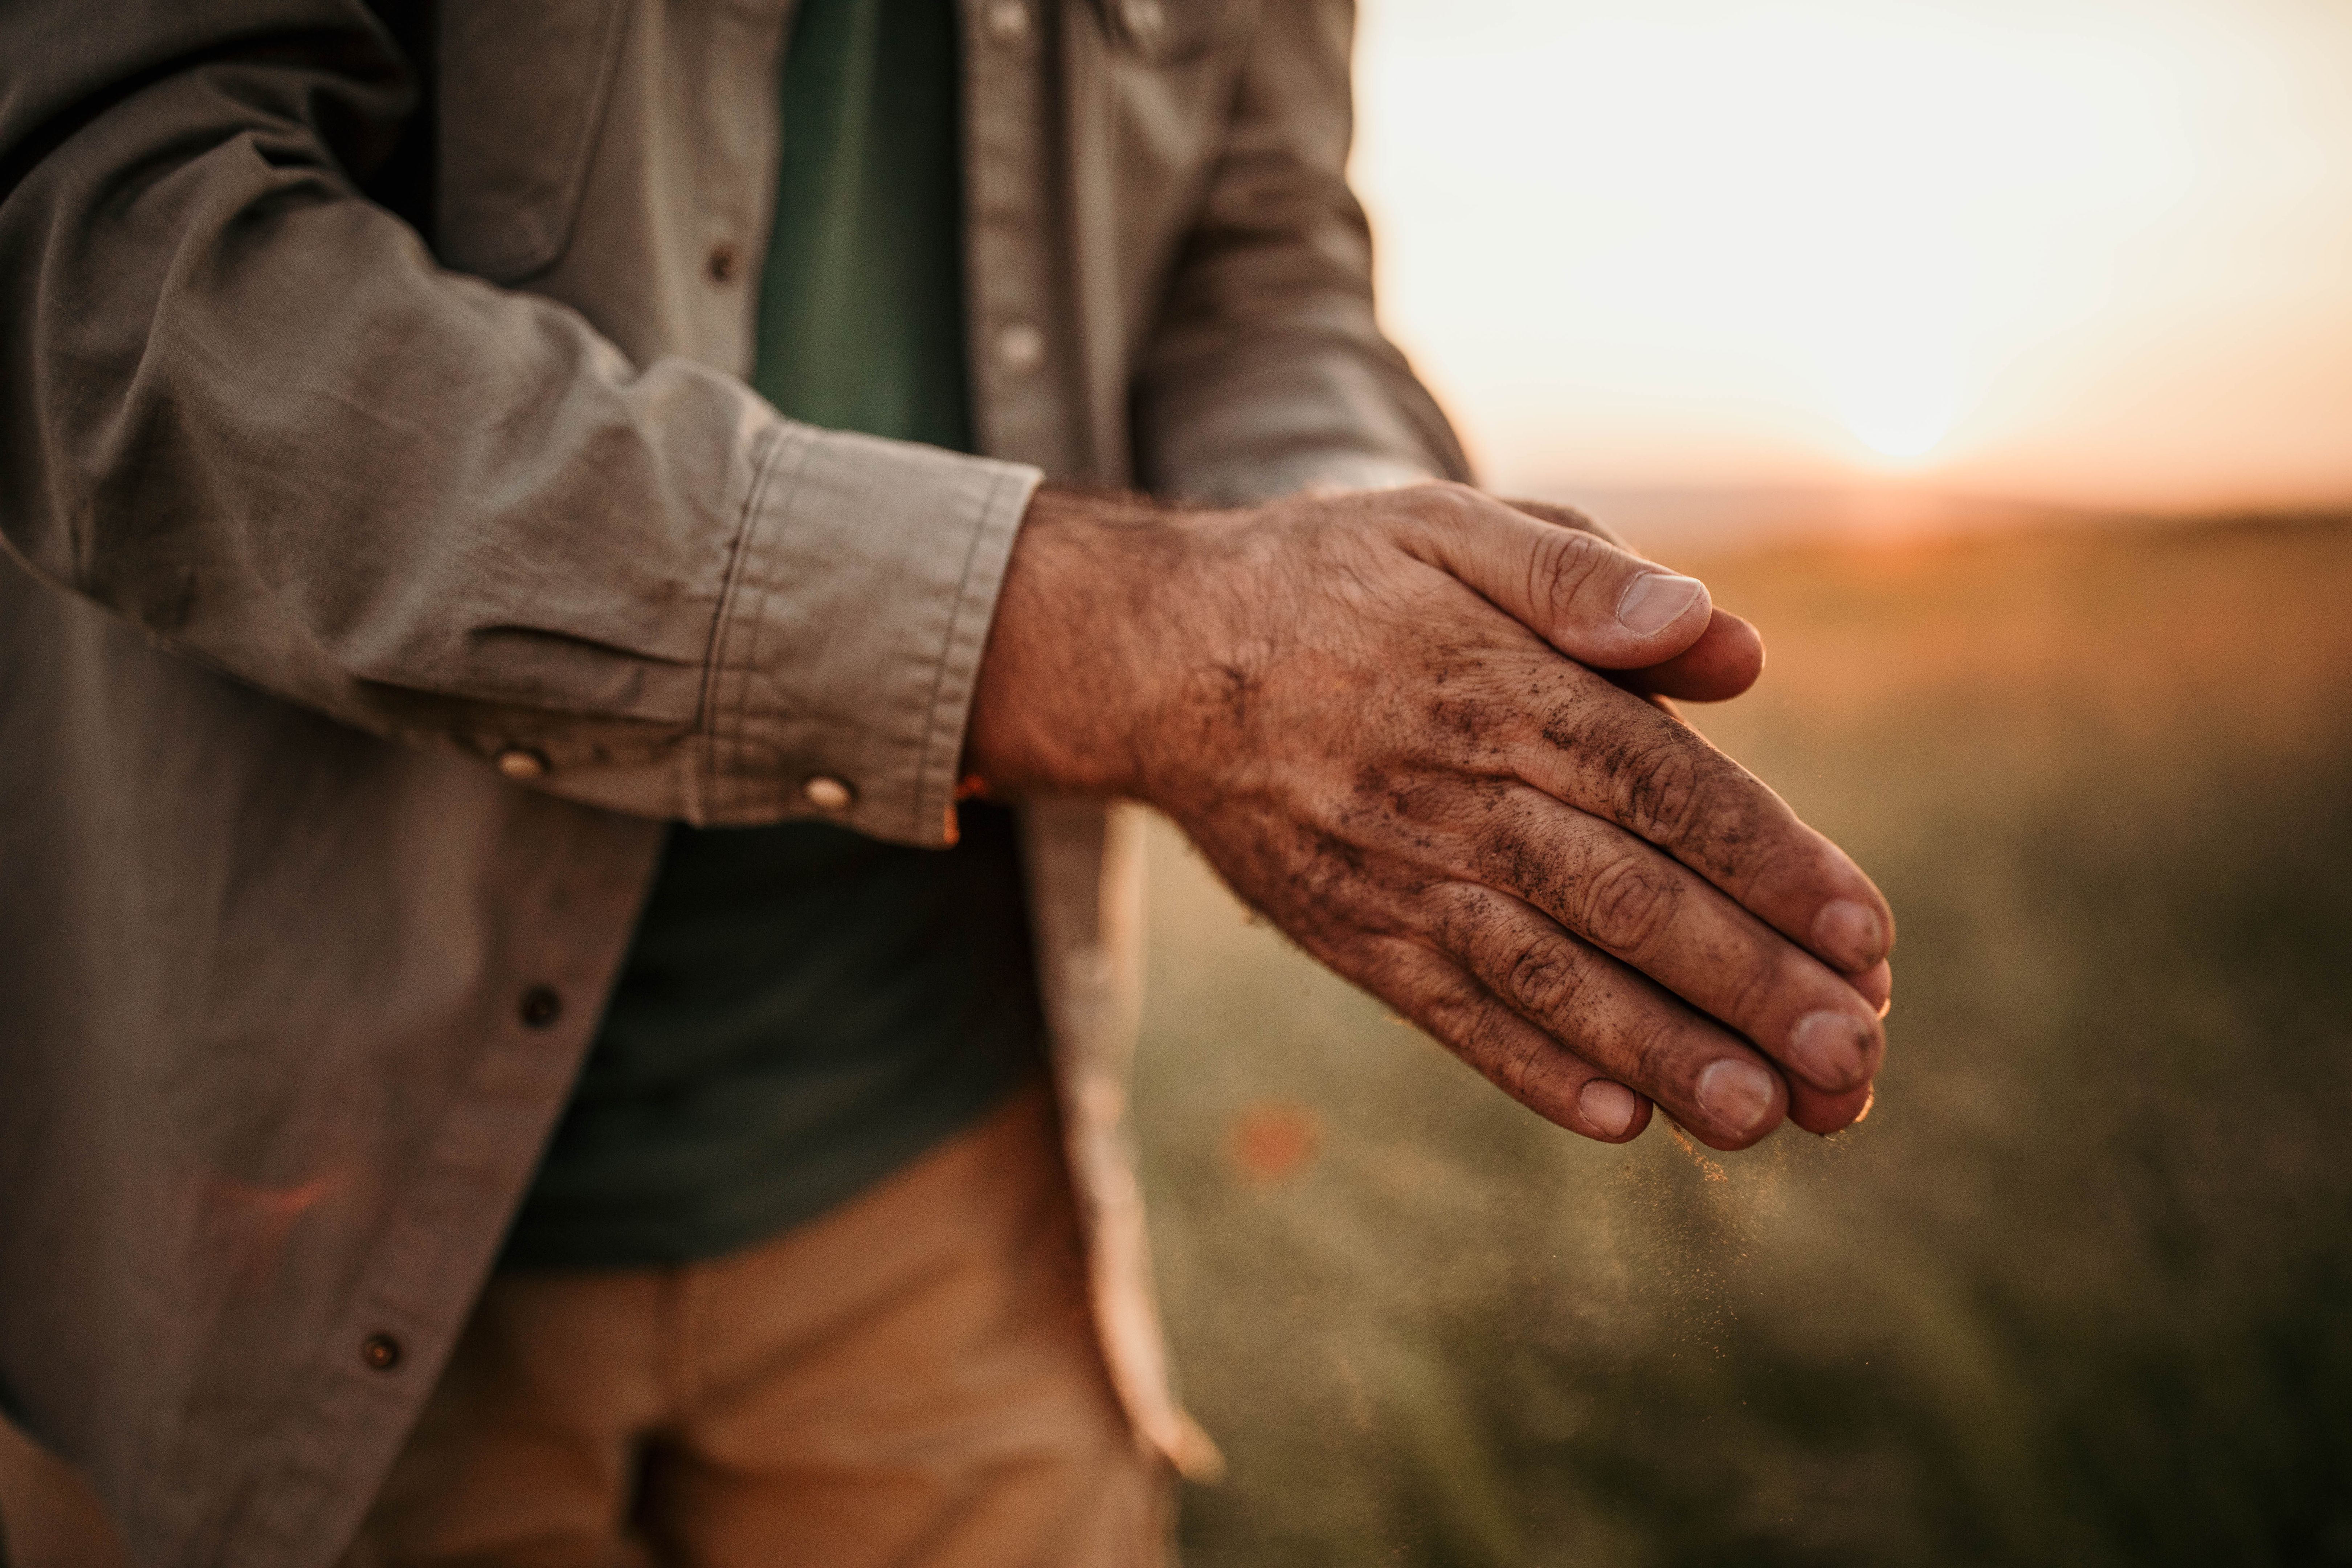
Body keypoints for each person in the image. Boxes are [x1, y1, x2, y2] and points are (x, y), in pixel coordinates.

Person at [0, 0, 1894, 1564]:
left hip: (943, 1180)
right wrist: (1126, 642)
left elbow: (1260, 270)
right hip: (275, 1219)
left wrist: (1351, 559)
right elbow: (109, 254)